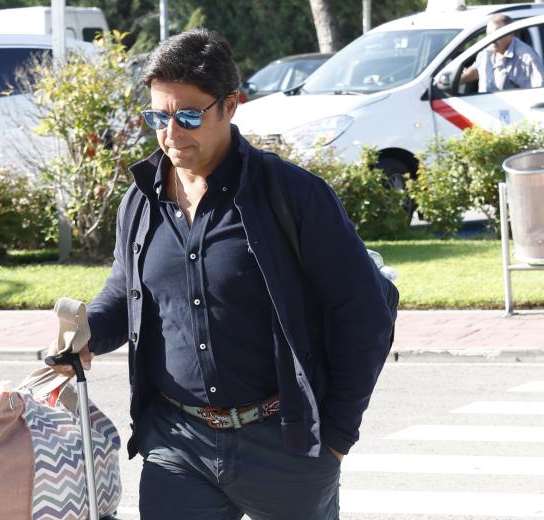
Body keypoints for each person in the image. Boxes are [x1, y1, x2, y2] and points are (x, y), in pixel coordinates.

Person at [48, 29, 393, 520]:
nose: (171, 132)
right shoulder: (141, 201)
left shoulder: (293, 196)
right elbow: (126, 294)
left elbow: (363, 314)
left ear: (231, 105)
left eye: (188, 115)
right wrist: (87, 334)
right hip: (176, 444)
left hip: (283, 444)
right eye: (158, 117)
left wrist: (336, 437)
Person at [461, 14, 544, 92]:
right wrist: (455, 81)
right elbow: (476, 71)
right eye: (488, 35)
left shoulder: (526, 57)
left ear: (511, 33)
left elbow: (538, 92)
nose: (491, 40)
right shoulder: (486, 51)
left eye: (497, 35)